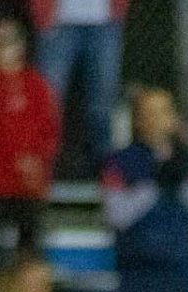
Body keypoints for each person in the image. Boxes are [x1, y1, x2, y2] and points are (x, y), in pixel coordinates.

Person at [101, 88, 188, 292]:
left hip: (181, 268)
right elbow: (116, 215)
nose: (154, 120)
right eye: (147, 114)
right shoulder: (120, 161)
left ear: (173, 118)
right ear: (136, 120)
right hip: (137, 272)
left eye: (161, 112)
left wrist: (182, 184)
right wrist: (151, 187)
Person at [0, 19, 60, 282]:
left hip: (27, 183)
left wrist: (39, 163)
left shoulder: (35, 84)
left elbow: (48, 130)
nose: (2, 48)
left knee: (28, 251)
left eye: (8, 40)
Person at [31, 0, 127, 172]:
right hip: (57, 21)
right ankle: (43, 165)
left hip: (105, 22)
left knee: (103, 102)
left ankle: (106, 168)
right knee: (47, 101)